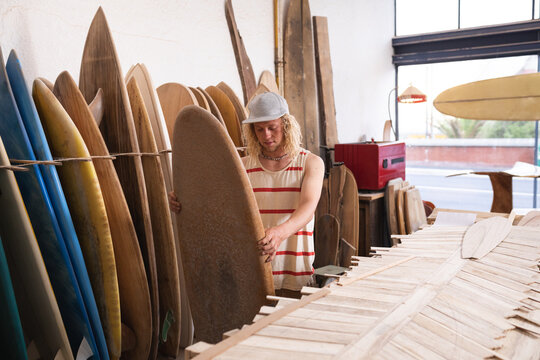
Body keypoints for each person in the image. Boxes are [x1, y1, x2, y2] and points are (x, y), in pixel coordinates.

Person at [169, 92, 324, 298]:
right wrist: (181, 199)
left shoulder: (310, 163)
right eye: (259, 129)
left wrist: (279, 233)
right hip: (252, 276)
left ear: (286, 124)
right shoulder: (241, 167)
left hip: (295, 274)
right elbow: (211, 200)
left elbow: (307, 207)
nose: (266, 135)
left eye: (272, 127)